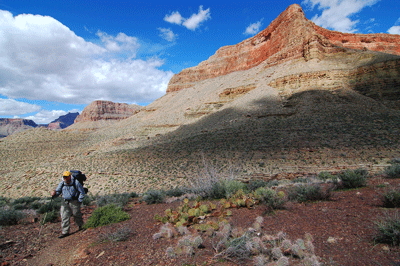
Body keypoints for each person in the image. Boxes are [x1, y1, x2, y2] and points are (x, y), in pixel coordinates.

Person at [51, 171, 85, 238]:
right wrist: (54, 194)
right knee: (64, 216)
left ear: (70, 176)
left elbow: (82, 192)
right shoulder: (62, 183)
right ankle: (65, 232)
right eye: (64, 177)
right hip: (65, 201)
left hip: (74, 201)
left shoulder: (76, 182)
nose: (65, 178)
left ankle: (81, 226)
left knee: (76, 214)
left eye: (66, 177)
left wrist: (80, 200)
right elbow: (58, 191)